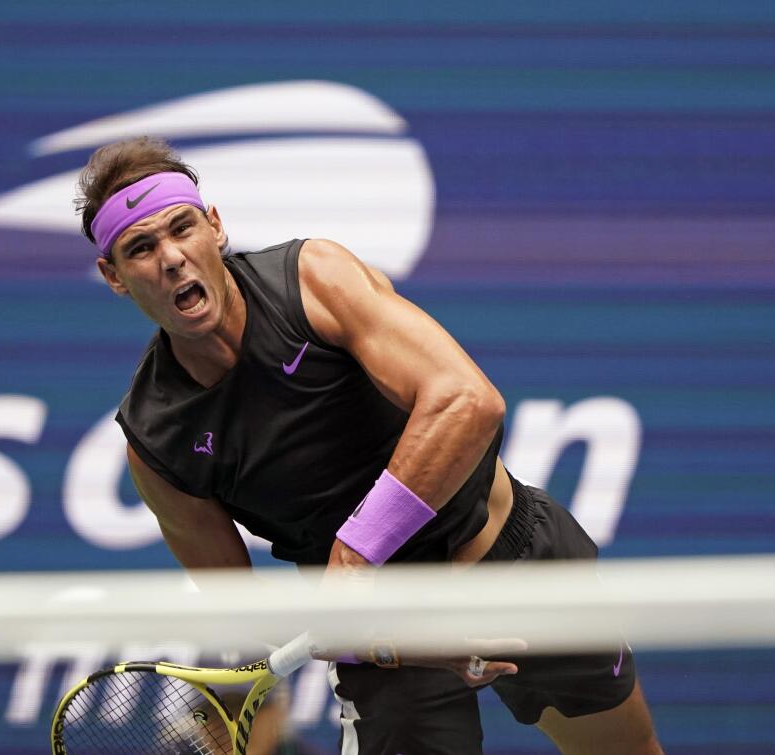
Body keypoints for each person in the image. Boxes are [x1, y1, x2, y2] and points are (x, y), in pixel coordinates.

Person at [75, 136, 662, 755]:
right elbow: (236, 608)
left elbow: (468, 401)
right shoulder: (156, 442)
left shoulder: (312, 280)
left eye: (182, 228)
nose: (171, 258)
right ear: (114, 276)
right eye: (141, 248)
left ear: (214, 226)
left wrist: (354, 560)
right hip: (388, 647)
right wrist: (379, 640)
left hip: (513, 563)